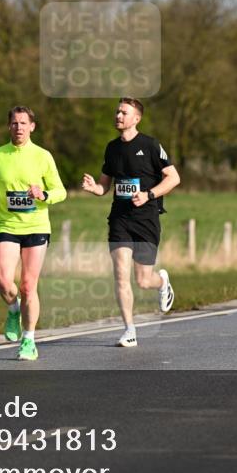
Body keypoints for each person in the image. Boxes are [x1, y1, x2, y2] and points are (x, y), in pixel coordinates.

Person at [81, 98, 180, 348]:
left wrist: (149, 194)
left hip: (146, 219)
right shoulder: (112, 148)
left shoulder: (150, 145)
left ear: (136, 118)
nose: (118, 116)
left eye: (124, 112)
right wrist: (95, 188)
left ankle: (162, 282)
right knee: (121, 275)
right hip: (120, 219)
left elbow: (173, 178)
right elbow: (106, 185)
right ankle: (129, 330)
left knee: (143, 280)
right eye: (117, 111)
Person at [0, 106, 66, 360]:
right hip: (7, 224)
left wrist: (44, 195)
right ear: (9, 126)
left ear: (32, 127)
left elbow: (61, 191)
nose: (18, 127)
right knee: (3, 280)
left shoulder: (43, 156)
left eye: (23, 123)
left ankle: (29, 340)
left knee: (29, 286)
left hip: (36, 226)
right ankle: (13, 309)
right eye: (14, 123)